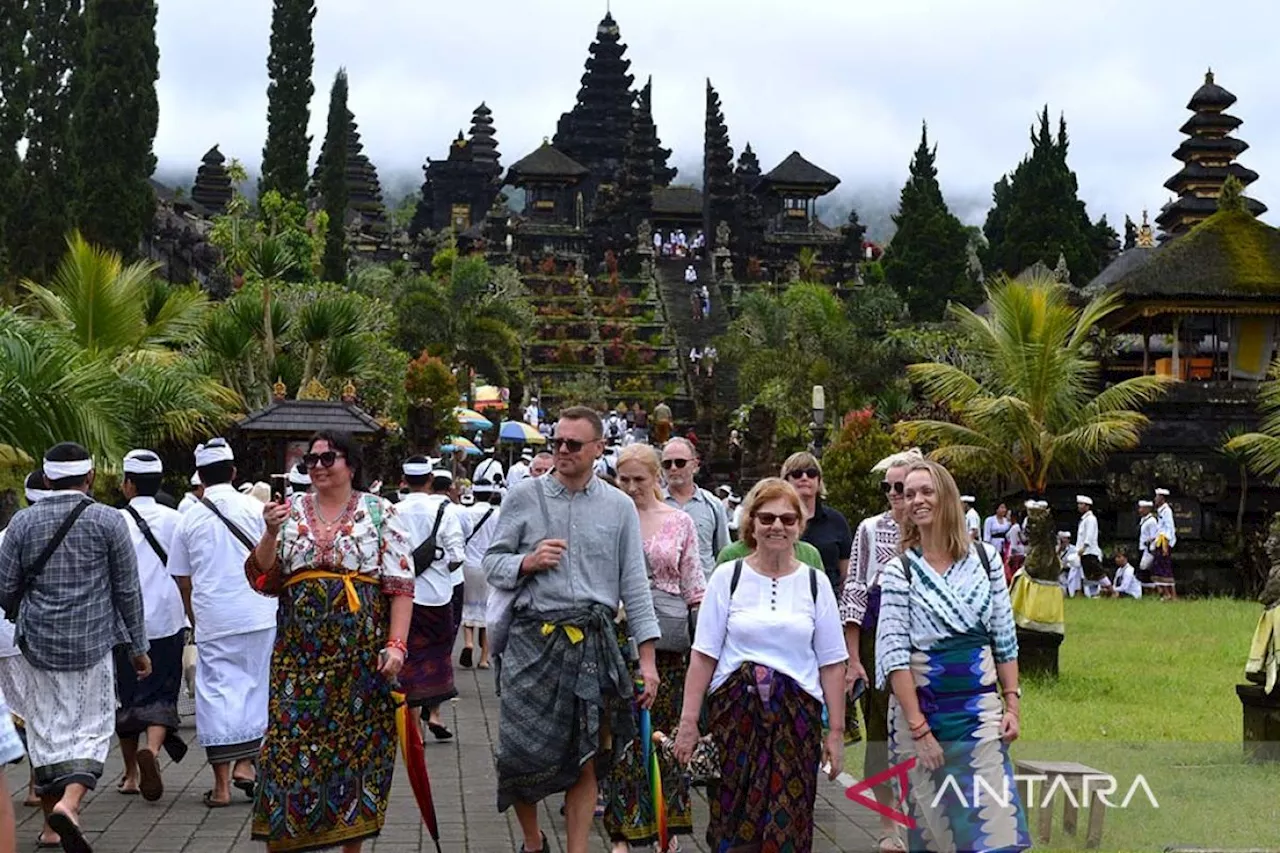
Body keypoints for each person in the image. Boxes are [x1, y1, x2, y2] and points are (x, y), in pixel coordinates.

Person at [484, 406, 659, 853]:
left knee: (586, 755)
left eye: (573, 444)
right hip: (532, 638)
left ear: (599, 450)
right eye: (556, 442)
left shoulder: (619, 506)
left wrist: (647, 660)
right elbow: (491, 563)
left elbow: (635, 586)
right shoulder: (523, 496)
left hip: (593, 641)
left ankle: (578, 849)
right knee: (517, 753)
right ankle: (533, 842)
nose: (562, 450)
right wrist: (528, 561)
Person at [246, 431, 415, 853]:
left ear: (351, 464)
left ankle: (349, 846)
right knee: (285, 751)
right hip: (296, 660)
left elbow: (400, 587)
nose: (318, 467)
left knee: (356, 754)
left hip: (358, 659)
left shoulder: (381, 513)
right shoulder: (288, 513)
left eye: (327, 458)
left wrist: (396, 645)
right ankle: (285, 842)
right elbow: (263, 578)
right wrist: (269, 532)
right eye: (311, 461)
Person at [675, 478, 847, 853]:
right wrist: (688, 722)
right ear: (750, 523)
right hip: (735, 719)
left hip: (795, 721)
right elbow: (703, 654)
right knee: (732, 820)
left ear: (800, 525)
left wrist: (835, 731)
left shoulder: (816, 584)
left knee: (790, 820)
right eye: (767, 518)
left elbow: (833, 663)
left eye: (788, 519)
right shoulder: (728, 576)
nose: (777, 527)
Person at [0, 443, 150, 853]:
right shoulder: (109, 521)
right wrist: (138, 645)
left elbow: (5, 586)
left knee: (45, 729)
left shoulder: (22, 523)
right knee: (92, 728)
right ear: (88, 479)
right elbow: (127, 590)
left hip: (36, 645)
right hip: (93, 642)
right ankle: (70, 804)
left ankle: (51, 828)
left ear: (46, 479)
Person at [875, 459, 1029, 853]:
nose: (917, 500)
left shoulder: (985, 559)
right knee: (935, 833)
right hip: (921, 715)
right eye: (909, 494)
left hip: (979, 714)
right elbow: (894, 655)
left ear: (947, 497)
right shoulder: (899, 572)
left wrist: (1011, 702)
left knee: (996, 832)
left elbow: (1003, 636)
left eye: (926, 491)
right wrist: (919, 730)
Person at [604, 445, 704, 852]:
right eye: (623, 480)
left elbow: (694, 586)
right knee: (624, 736)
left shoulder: (679, 522)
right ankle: (623, 832)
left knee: (666, 737)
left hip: (669, 642)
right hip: (617, 639)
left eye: (639, 480)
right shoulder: (608, 520)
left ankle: (668, 826)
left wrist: (705, 648)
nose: (630, 488)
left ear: (656, 478)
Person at [168, 437, 278, 808]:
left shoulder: (188, 520)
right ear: (233, 472)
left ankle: (221, 787)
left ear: (200, 475)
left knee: (215, 694)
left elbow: (182, 579)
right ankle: (246, 765)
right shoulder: (255, 508)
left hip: (214, 615)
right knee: (255, 686)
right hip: (260, 611)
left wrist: (194, 617)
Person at [839, 449, 917, 853]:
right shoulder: (870, 529)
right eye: (888, 488)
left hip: (923, 638)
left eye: (901, 488)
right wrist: (853, 659)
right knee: (881, 727)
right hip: (876, 638)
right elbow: (854, 591)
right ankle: (890, 824)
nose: (894, 495)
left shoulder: (938, 533)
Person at [115, 450, 189, 802]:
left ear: (128, 484)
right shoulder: (178, 520)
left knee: (126, 696)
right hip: (168, 618)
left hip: (123, 624)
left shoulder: (113, 520)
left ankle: (130, 774)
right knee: (162, 689)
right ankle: (154, 751)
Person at [396, 458, 466, 741]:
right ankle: (434, 713)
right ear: (429, 480)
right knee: (438, 655)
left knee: (406, 655)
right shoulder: (445, 510)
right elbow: (457, 555)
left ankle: (413, 727)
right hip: (438, 596)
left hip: (403, 596)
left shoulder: (393, 510)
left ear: (403, 480)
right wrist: (440, 569)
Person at [661, 438, 730, 580]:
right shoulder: (654, 504)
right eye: (667, 464)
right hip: (663, 594)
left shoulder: (713, 505)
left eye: (680, 463)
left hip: (704, 590)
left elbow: (723, 553)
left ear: (695, 465)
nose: (673, 468)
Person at [459, 482, 501, 670]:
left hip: (468, 565)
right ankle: (484, 658)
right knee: (487, 610)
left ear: (474, 494)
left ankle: (468, 642)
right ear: (492, 494)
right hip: (489, 565)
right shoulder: (498, 514)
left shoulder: (466, 513)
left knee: (467, 607)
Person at [1153, 488, 1177, 600]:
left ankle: (1171, 594)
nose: (1155, 499)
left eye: (1157, 497)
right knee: (1159, 567)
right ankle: (1165, 593)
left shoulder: (1167, 511)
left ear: (1162, 498)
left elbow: (1168, 528)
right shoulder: (1160, 511)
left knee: (1165, 568)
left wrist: (1165, 545)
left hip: (1164, 542)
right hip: (1159, 541)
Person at [1076, 494, 1103, 589]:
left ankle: (1111, 590)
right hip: (1084, 552)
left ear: (1087, 506)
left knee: (1098, 572)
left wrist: (1084, 547)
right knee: (1088, 574)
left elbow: (1089, 535)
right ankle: (1093, 593)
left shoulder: (1091, 519)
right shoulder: (1084, 519)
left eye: (1081, 504)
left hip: (1089, 550)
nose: (1079, 506)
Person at [1137, 499, 1158, 591]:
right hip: (1141, 547)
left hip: (1148, 549)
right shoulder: (1143, 520)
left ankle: (1151, 588)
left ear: (1147, 509)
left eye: (1142, 508)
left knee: (1145, 568)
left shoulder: (1152, 521)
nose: (1140, 510)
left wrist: (1149, 543)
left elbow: (1154, 535)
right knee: (1143, 570)